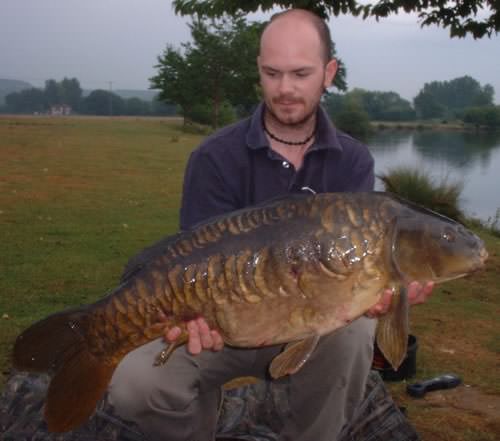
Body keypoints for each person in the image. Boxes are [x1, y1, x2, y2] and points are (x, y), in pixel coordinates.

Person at [109, 8, 433, 441]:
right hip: (222, 327)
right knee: (133, 385)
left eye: (301, 73)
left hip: (312, 325)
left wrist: (381, 296)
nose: (285, 89)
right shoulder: (214, 157)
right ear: (258, 72)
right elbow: (192, 267)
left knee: (357, 332)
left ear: (328, 72)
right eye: (272, 73)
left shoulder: (353, 161)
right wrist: (191, 317)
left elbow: (363, 271)